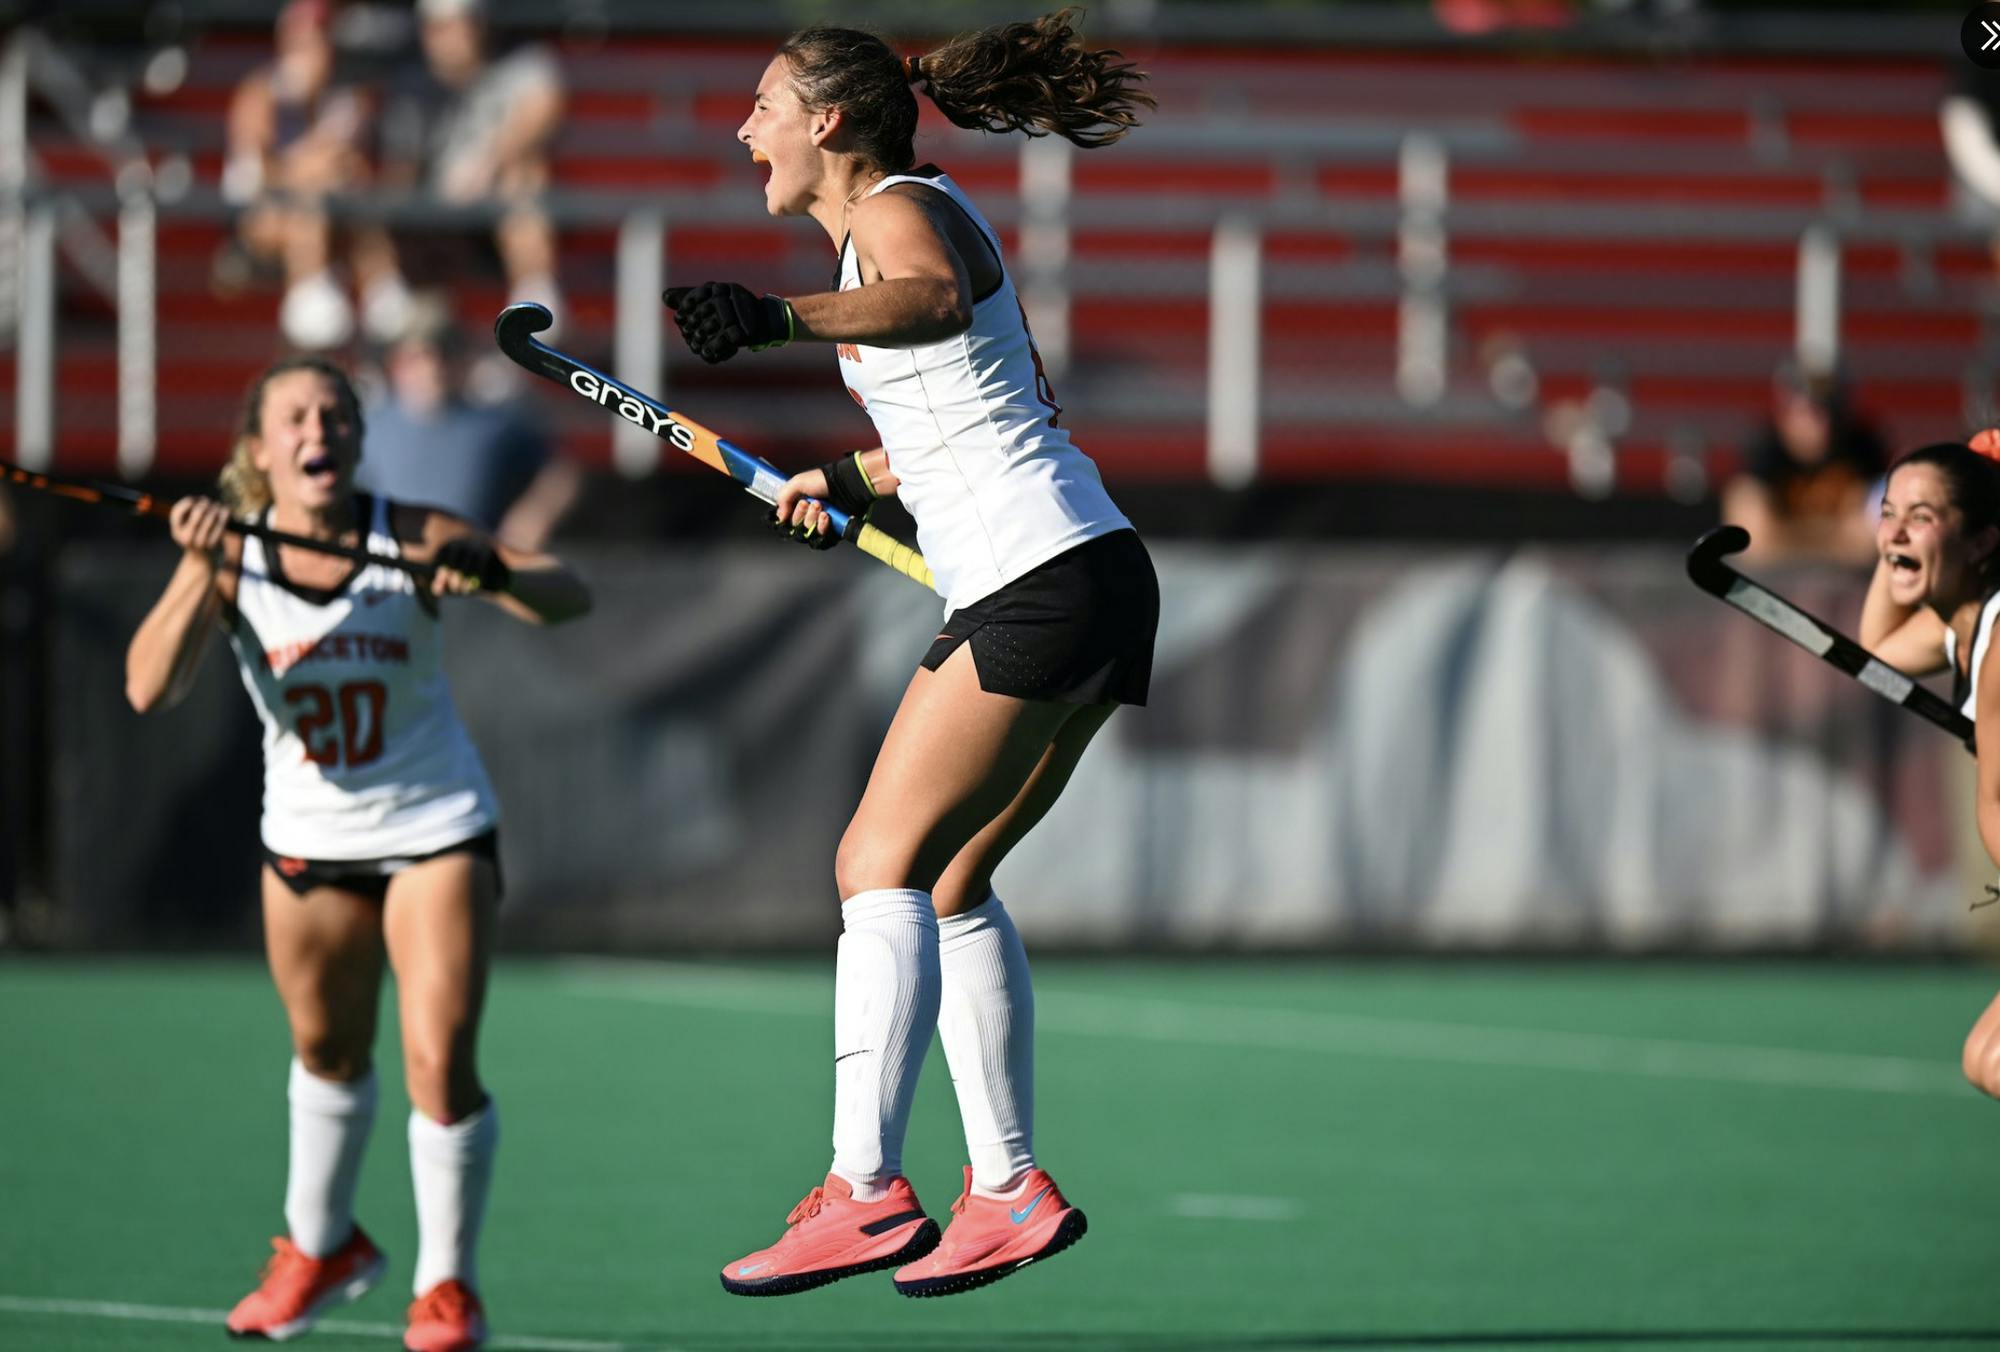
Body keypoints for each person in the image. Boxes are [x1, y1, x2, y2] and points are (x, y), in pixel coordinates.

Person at [662, 10, 1157, 1299]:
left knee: (870, 861)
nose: (743, 126)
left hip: (1034, 580)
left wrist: (775, 319)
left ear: (828, 120)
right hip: (1090, 571)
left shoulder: (891, 210)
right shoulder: (909, 211)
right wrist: (838, 477)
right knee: (948, 883)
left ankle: (864, 1190)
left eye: (763, 102)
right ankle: (1005, 1187)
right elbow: (950, 415)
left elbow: (926, 305)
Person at [125, 355, 590, 1350]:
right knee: (329, 1055)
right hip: (308, 838)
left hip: (433, 824)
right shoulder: (229, 552)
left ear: (356, 438)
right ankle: (321, 1243)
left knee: (435, 1056)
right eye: (293, 417)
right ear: (258, 451)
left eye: (334, 415)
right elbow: (146, 686)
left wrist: (495, 569)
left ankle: (445, 1285)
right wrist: (199, 570)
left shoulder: (411, 531)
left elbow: (567, 595)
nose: (317, 432)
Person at [1858, 440, 2000, 1110]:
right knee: (1986, 1059)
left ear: (1981, 542)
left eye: (1923, 514)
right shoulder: (1958, 631)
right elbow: (1877, 650)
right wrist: (1900, 546)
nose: (1895, 530)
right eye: (1888, 513)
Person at [359, 0, 565, 338]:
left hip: (492, 207)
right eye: (443, 27)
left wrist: (486, 165)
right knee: (366, 189)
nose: (457, 36)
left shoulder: (516, 61)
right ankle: (386, 295)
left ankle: (535, 299)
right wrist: (404, 207)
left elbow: (544, 108)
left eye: (464, 24)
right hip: (429, 213)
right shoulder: (409, 83)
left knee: (526, 174)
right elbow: (402, 165)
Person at [356, 294, 580, 550]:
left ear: (461, 360)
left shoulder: (495, 425)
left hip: (474, 571)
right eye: (418, 357)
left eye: (444, 354)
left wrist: (533, 517)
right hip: (393, 574)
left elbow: (562, 471)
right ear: (395, 365)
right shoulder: (369, 428)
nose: (432, 367)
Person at [219, 0, 378, 350]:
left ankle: (383, 297)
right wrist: (309, 165)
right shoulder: (259, 93)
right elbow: (258, 176)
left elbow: (353, 167)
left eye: (321, 40)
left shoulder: (347, 98)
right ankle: (308, 294)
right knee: (311, 199)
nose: (314, 52)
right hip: (260, 215)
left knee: (351, 196)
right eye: (303, 42)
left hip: (338, 212)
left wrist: (315, 166)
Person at [1721, 363, 1887, 566]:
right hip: (1774, 581)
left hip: (1845, 583)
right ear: (1786, 413)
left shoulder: (1862, 449)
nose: (1820, 426)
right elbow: (1754, 542)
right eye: (1807, 412)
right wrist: (1832, 535)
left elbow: (1865, 543)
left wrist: (1786, 533)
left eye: (1828, 412)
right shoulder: (1763, 449)